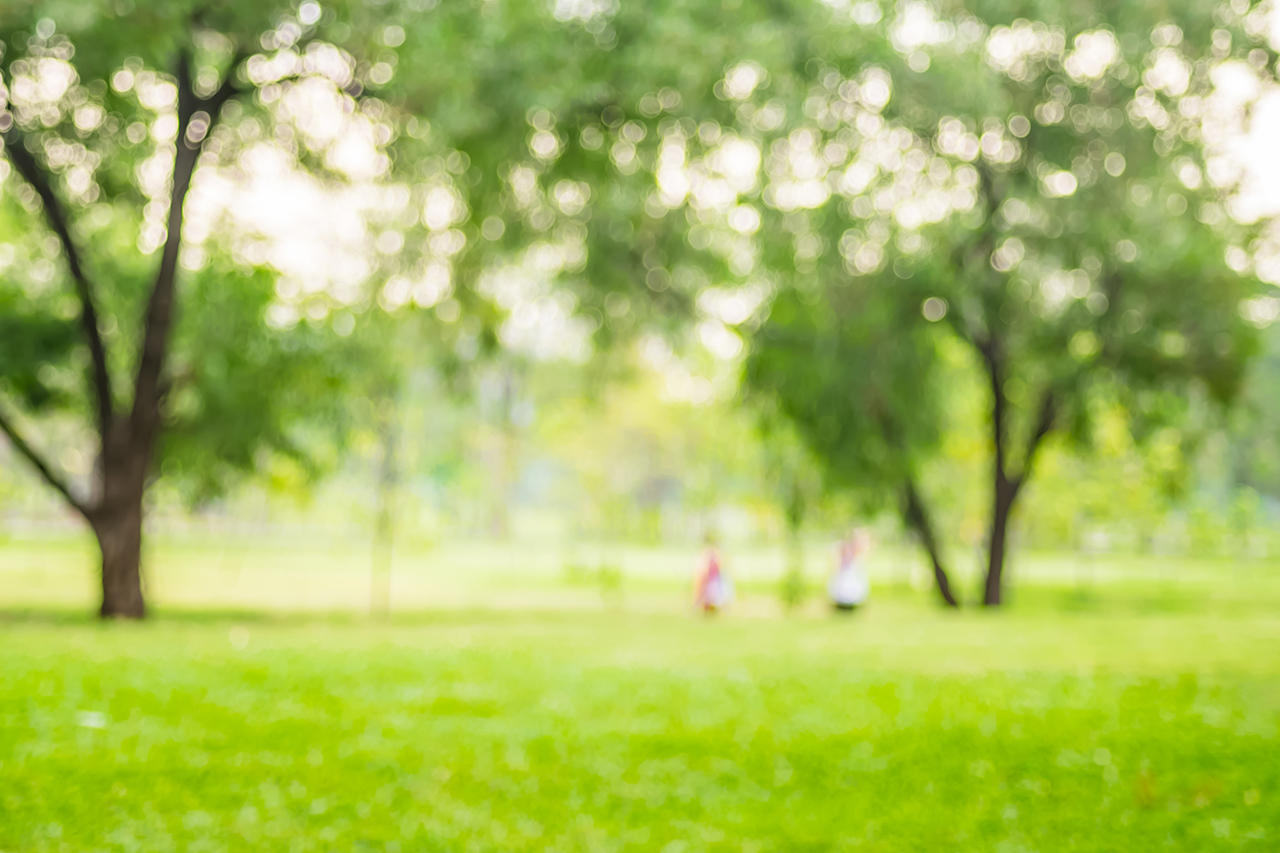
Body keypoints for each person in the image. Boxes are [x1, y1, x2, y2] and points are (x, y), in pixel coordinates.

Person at [829, 528, 870, 612]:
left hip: (849, 570)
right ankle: (843, 604)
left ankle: (848, 604)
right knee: (843, 585)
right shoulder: (844, 546)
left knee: (849, 585)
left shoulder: (852, 548)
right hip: (845, 570)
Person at [694, 538, 733, 613]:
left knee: (714, 594)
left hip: (713, 580)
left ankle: (712, 606)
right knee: (707, 593)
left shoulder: (715, 557)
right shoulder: (708, 557)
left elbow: (719, 567)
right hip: (709, 579)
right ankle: (706, 606)